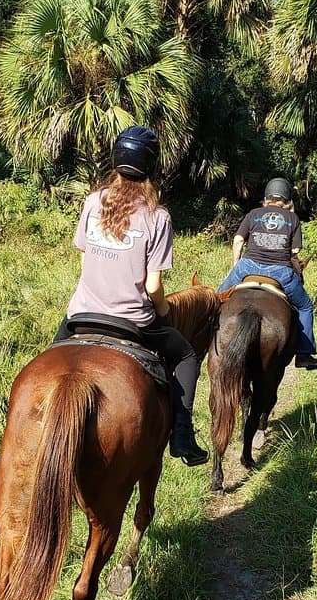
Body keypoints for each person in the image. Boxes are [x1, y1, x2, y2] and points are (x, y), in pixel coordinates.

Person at [54, 126, 209, 466]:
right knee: (185, 357)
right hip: (133, 322)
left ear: (116, 159)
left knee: (50, 359)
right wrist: (165, 311)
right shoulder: (159, 217)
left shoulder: (94, 201)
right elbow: (153, 286)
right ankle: (182, 436)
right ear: (152, 166)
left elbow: (84, 258)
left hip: (81, 313)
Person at [218, 178, 317, 369]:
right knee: (305, 306)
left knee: (215, 299)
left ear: (266, 198)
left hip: (247, 266)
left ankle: (202, 342)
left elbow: (239, 240)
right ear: (288, 201)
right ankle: (305, 353)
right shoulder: (292, 219)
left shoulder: (254, 213)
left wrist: (236, 265)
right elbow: (295, 251)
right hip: (280, 270)